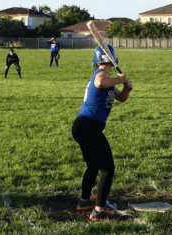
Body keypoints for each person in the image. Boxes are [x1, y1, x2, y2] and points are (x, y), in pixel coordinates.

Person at [71, 44, 133, 221]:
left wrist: (126, 88)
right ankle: (99, 211)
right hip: (88, 126)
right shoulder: (102, 75)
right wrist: (120, 80)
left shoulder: (108, 79)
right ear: (112, 60)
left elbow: (121, 98)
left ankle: (84, 201)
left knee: (93, 165)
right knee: (108, 168)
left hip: (84, 126)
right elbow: (100, 82)